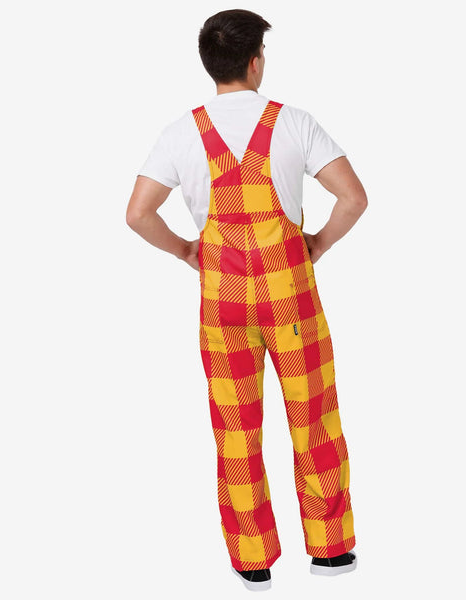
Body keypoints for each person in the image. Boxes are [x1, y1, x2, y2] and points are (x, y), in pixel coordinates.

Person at [126, 9, 368, 592]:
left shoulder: (180, 133)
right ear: (257, 60)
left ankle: (252, 560)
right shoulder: (295, 123)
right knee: (314, 420)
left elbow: (137, 214)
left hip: (223, 303)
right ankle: (331, 553)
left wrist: (185, 250)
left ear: (210, 64)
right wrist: (316, 245)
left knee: (236, 431)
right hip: (291, 301)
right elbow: (353, 198)